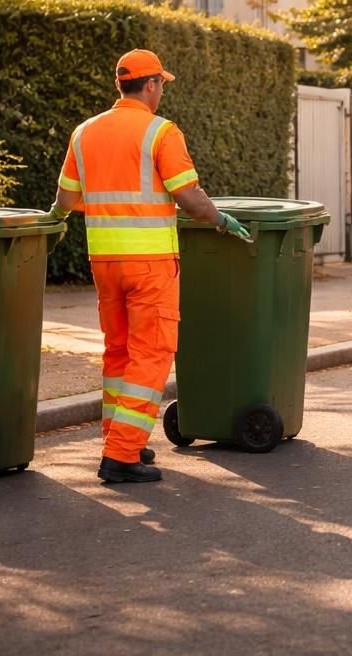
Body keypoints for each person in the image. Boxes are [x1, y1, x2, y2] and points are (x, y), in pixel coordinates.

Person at [46, 48, 252, 484]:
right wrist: (220, 220)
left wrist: (52, 224)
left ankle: (122, 438)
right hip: (150, 265)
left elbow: (64, 201)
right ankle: (121, 455)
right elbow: (190, 198)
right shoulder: (161, 132)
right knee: (152, 353)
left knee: (118, 352)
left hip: (104, 263)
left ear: (120, 85)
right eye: (162, 85)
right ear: (153, 84)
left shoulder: (84, 132)